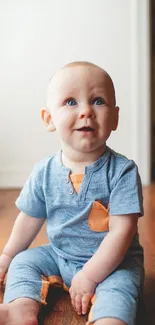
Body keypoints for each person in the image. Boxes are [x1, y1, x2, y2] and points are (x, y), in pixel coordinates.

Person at [0, 61, 144, 325]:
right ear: (49, 119)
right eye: (70, 102)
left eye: (98, 101)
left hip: (114, 264)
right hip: (59, 254)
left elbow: (122, 233)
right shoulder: (44, 171)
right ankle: (20, 307)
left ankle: (109, 319)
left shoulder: (122, 171)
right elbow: (29, 218)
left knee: (119, 290)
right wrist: (7, 256)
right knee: (24, 262)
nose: (86, 111)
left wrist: (90, 275)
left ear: (115, 117)